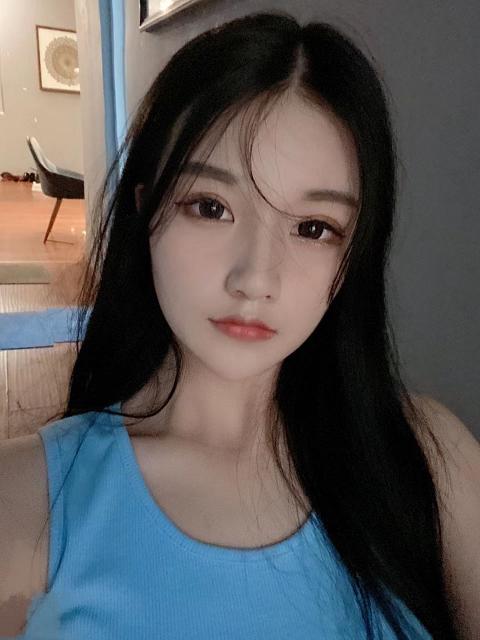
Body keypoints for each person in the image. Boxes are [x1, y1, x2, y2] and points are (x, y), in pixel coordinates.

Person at [0, 10, 477, 639]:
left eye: (314, 228)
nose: (256, 278)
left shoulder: (429, 458)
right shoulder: (28, 499)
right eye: (210, 207)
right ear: (146, 211)